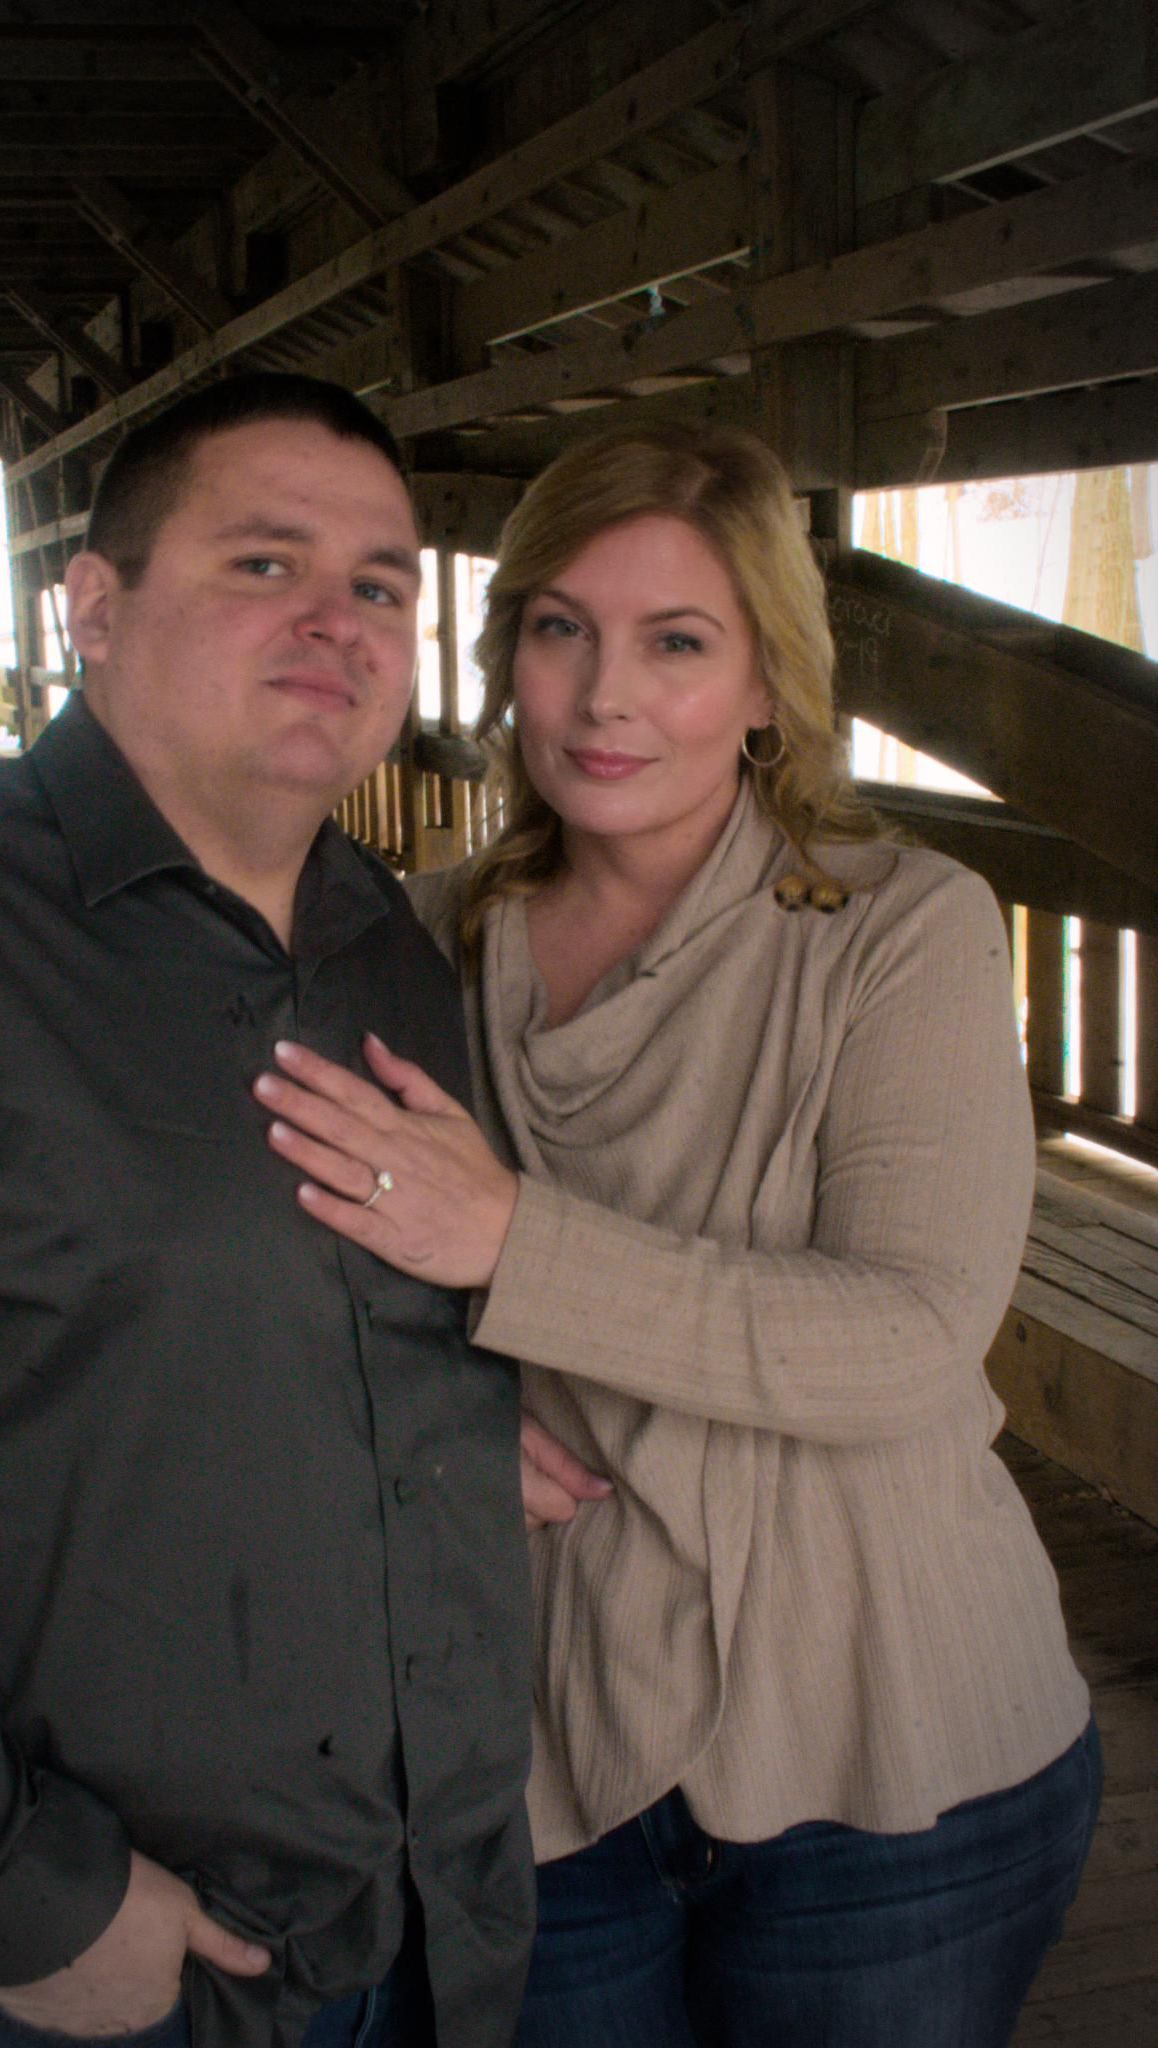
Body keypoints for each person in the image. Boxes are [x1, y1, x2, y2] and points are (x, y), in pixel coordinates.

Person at [250, 420, 1100, 2048]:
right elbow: (271, 1276)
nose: (603, 695)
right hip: (544, 1744)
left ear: (772, 684)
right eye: (560, 629)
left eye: (678, 643)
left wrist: (511, 1241)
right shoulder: (421, 944)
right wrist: (426, 1416)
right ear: (505, 657)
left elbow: (911, 1337)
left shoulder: (898, 931)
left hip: (891, 1758)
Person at [0, 374, 534, 2048]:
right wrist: (21, 1890)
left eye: (381, 585)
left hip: (424, 1928)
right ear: (95, 610)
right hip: (86, 1973)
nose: (336, 621)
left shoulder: (389, 949)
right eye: (264, 563)